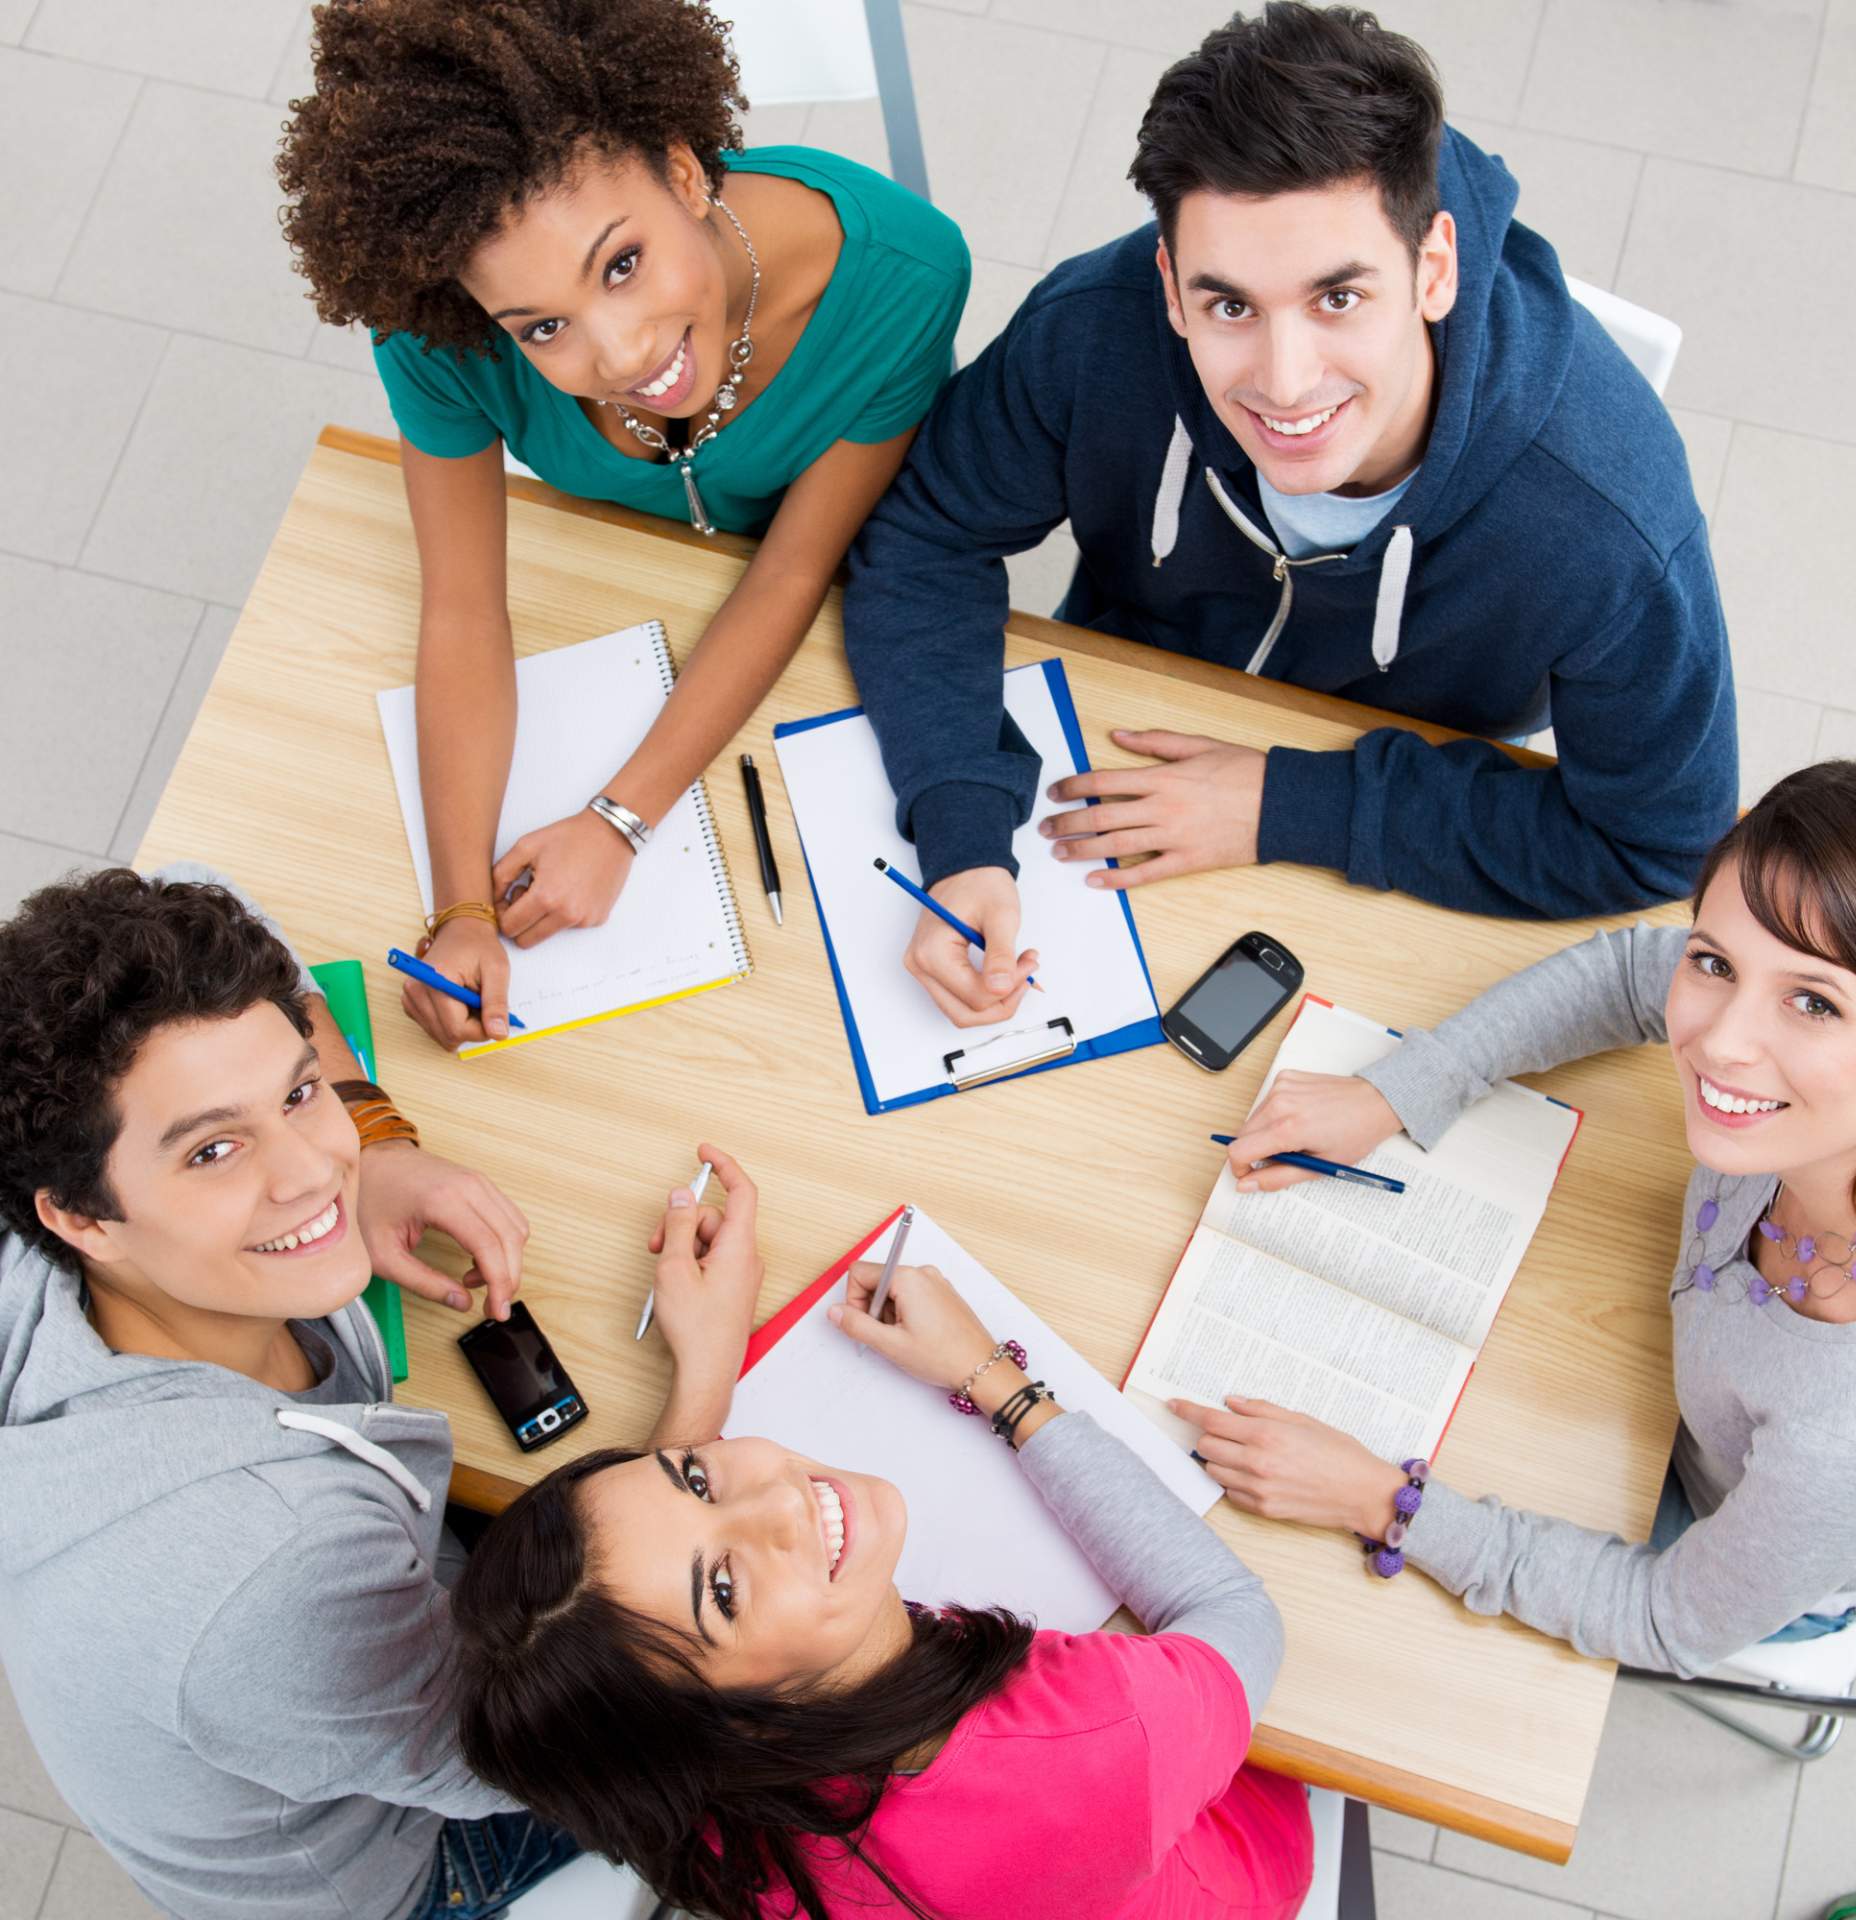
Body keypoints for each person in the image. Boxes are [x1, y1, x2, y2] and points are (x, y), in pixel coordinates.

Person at [841, 1, 1735, 1031]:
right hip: (1116, 761)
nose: (1284, 380)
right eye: (1230, 307)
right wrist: (959, 833)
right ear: (1171, 287)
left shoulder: (1606, 518)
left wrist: (1292, 805)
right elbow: (924, 532)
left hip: (1404, 816)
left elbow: (1659, 840)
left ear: (1432, 268)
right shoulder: (1096, 328)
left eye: (1338, 300)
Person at [0, 866, 765, 1919]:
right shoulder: (271, 1572)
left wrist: (379, 1137)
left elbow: (231, 901)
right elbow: (530, 1744)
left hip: (320, 1667)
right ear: (79, 1218)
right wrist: (703, 1390)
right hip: (404, 1861)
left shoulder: (48, 1230)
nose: (313, 1174)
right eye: (215, 1149)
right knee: (777, 1717)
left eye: (296, 1092)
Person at [276, 0, 970, 1050]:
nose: (622, 351)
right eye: (543, 328)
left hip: (834, 595)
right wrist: (462, 908)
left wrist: (619, 819)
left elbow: (790, 576)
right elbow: (463, 609)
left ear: (687, 174)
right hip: (621, 575)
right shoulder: (436, 334)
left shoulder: (899, 277)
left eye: (623, 262)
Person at [1172, 759, 1856, 1677]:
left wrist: (1382, 1502)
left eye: (1813, 1002)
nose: (1720, 1041)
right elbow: (1625, 973)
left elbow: (1662, 1618)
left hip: (1725, 1526)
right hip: (1661, 1379)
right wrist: (1403, 1088)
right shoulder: (1790, 1081)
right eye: (1715, 962)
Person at [450, 1253, 1313, 1920]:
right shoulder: (1092, 1740)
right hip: (1236, 1847)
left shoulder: (674, 1793)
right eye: (723, 1590)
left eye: (697, 1478)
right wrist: (994, 1381)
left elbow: (632, 1606)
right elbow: (1236, 1614)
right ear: (735, 1722)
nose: (779, 1501)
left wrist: (702, 1378)